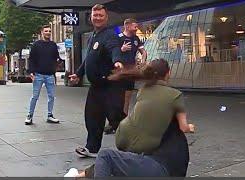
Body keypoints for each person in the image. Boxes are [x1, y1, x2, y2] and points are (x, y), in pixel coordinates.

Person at [66, 58, 195, 177]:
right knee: (116, 163)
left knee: (106, 156)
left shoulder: (147, 99)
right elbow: (184, 126)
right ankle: (80, 176)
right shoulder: (166, 113)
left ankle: (80, 176)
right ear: (168, 73)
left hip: (159, 169)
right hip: (168, 169)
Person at [68, 4, 127, 158]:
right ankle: (92, 148)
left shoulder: (110, 35)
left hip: (110, 85)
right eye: (95, 15)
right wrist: (78, 74)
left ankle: (135, 146)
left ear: (106, 18)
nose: (98, 18)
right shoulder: (94, 35)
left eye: (101, 15)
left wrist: (117, 61)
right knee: (92, 117)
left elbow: (114, 49)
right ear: (91, 18)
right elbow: (89, 59)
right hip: (96, 86)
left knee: (116, 117)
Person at [104, 18, 147, 134]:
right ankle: (113, 122)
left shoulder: (136, 39)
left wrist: (142, 62)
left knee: (127, 97)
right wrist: (121, 49)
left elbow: (144, 52)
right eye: (134, 26)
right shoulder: (118, 38)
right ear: (127, 26)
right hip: (119, 72)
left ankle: (124, 121)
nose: (136, 28)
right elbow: (112, 52)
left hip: (130, 72)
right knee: (116, 97)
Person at [25, 25, 63, 125]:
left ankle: (50, 115)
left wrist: (57, 64)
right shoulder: (36, 45)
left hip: (50, 75)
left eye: (49, 31)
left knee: (51, 96)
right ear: (42, 32)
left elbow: (56, 57)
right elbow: (31, 59)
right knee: (35, 96)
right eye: (46, 31)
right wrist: (31, 72)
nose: (48, 32)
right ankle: (29, 115)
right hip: (38, 75)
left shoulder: (53, 45)